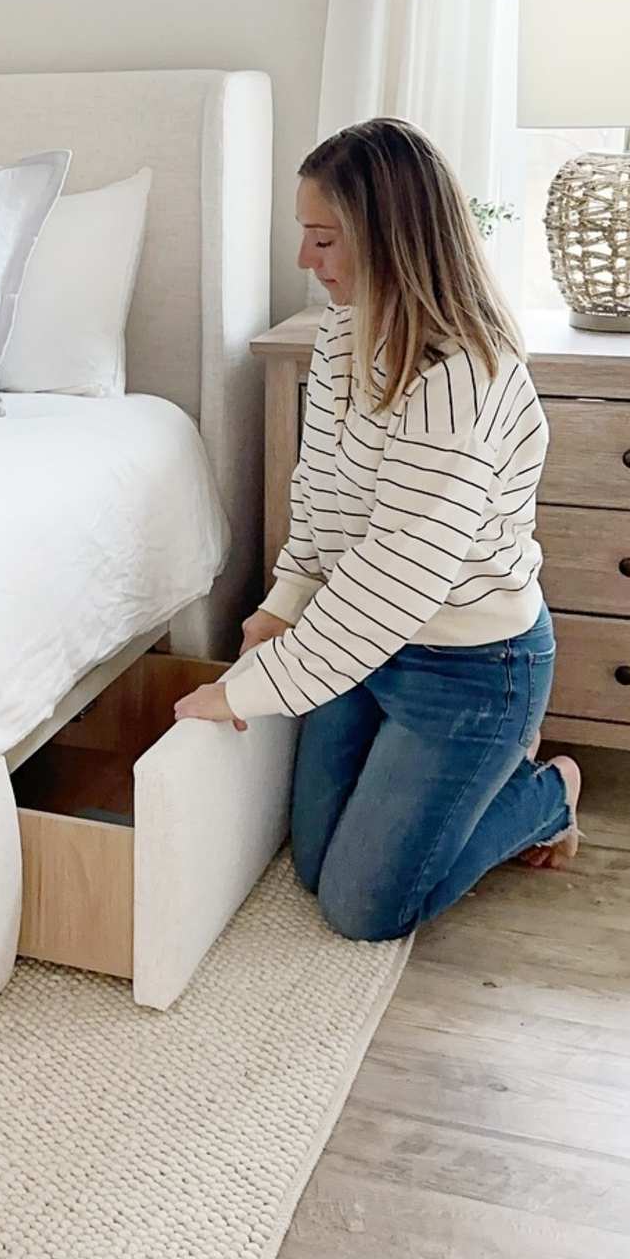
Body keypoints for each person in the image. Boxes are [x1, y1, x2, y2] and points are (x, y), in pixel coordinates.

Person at [176, 117, 580, 942]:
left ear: (388, 239)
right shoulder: (343, 332)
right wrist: (284, 601)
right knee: (312, 863)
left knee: (364, 908)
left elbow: (395, 582)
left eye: (322, 240)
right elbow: (320, 488)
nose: (304, 260)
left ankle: (548, 794)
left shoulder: (461, 379)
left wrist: (243, 690)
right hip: (361, 641)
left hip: (468, 666)